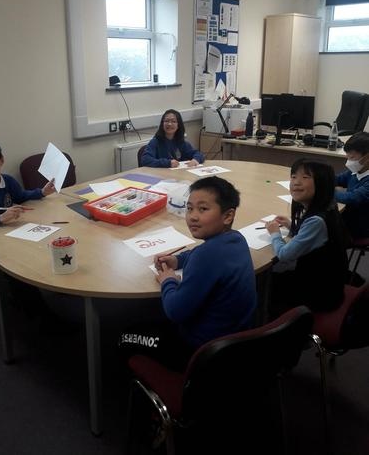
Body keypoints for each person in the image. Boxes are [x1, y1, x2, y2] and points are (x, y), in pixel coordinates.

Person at [119, 176, 257, 369]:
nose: (192, 216)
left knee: (124, 334)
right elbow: (199, 252)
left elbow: (175, 311)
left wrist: (168, 280)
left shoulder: (206, 256)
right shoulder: (236, 239)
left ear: (228, 216)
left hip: (201, 352)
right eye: (189, 208)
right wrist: (177, 260)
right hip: (234, 341)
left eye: (203, 209)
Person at [265, 158, 347, 317]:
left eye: (305, 177)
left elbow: (284, 255)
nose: (296, 182)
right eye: (293, 176)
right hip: (326, 281)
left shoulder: (316, 221)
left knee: (263, 280)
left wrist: (275, 233)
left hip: (319, 294)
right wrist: (292, 226)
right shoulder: (328, 206)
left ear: (322, 183)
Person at [140, 109, 205, 168]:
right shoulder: (155, 141)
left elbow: (199, 154)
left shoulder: (181, 142)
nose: (169, 124)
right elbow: (145, 160)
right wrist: (167, 163)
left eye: (173, 121)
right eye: (166, 121)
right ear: (162, 124)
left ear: (178, 125)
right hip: (160, 175)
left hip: (178, 174)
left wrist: (196, 159)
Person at [334, 131, 369, 240]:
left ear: (367, 157)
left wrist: (327, 191)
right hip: (347, 219)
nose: (349, 162)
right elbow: (337, 179)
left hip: (359, 228)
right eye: (348, 157)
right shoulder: (355, 172)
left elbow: (351, 198)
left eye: (352, 158)